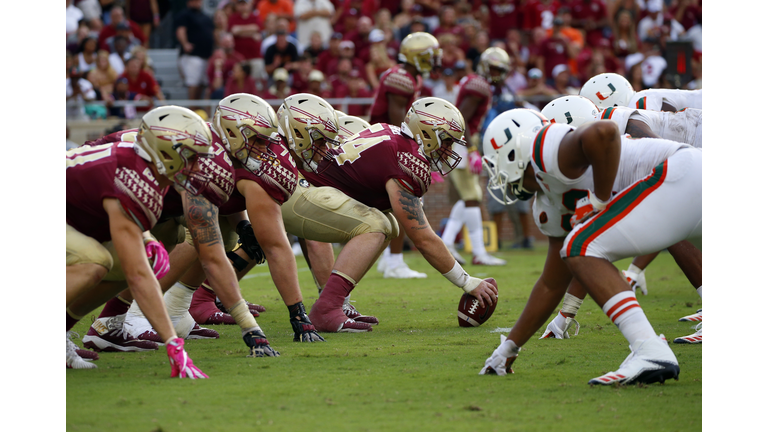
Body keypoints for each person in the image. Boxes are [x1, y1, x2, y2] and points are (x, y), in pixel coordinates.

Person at [478, 108, 701, 385]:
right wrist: (509, 347)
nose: (499, 176)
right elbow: (551, 284)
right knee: (577, 247)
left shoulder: (547, 148)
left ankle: (649, 350)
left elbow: (604, 132)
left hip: (684, 174)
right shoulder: (548, 202)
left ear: (514, 151)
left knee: (580, 245)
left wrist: (600, 199)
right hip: (687, 189)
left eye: (497, 163)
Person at [276, 95, 500, 332]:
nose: (448, 150)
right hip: (298, 192)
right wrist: (466, 281)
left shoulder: (395, 137)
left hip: (307, 189)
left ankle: (335, 302)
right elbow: (422, 237)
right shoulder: (407, 159)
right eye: (446, 141)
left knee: (390, 225)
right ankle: (327, 308)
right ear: (427, 134)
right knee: (375, 226)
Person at [537, 94, 703, 342]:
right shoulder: (603, 154)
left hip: (696, 155)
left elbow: (670, 163)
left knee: (675, 223)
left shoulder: (618, 125)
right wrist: (564, 315)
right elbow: (592, 244)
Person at [66, 106, 211, 377]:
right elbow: (139, 277)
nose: (196, 167)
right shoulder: (132, 176)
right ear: (166, 151)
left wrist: (145, 237)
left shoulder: (144, 169)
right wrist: (173, 343)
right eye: (190, 157)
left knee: (134, 259)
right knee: (95, 261)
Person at [369, 32, 442, 279]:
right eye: (429, 55)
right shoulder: (401, 79)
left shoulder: (408, 76)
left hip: (383, 142)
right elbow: (397, 120)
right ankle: (394, 263)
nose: (434, 60)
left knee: (391, 206)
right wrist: (413, 151)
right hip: (385, 145)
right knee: (405, 201)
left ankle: (388, 260)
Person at [440, 47, 510, 266]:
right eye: (493, 68)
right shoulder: (478, 86)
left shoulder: (478, 83)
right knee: (473, 197)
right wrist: (470, 149)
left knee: (468, 196)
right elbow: (459, 118)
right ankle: (479, 252)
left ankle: (448, 243)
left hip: (461, 142)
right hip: (461, 144)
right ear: (484, 66)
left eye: (500, 69)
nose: (496, 73)